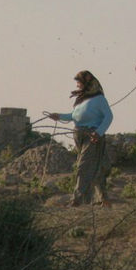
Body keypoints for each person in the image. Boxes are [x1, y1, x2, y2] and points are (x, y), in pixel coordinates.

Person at [44, 70, 114, 206]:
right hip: (79, 136)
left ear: (87, 82)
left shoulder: (99, 99)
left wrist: (99, 132)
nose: (77, 85)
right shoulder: (81, 99)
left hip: (92, 136)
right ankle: (103, 199)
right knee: (94, 168)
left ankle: (77, 200)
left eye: (79, 82)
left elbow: (109, 117)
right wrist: (58, 116)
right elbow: (73, 115)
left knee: (83, 167)